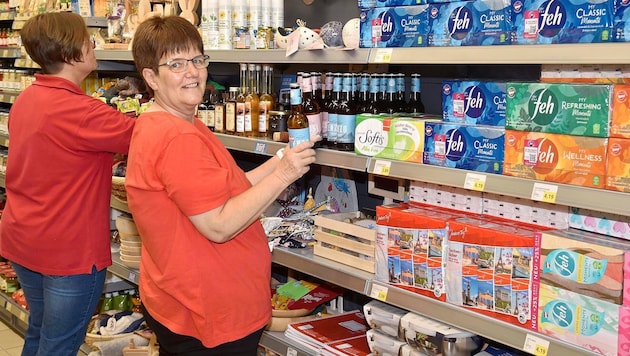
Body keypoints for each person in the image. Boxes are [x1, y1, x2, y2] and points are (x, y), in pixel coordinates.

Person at [127, 16, 317, 355]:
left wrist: (280, 161)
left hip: (184, 303)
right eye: (177, 64)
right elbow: (218, 224)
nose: (192, 72)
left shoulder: (174, 121)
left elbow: (227, 189)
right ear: (151, 77)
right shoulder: (176, 137)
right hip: (206, 316)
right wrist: (284, 175)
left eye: (198, 60)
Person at [0, 12, 136, 356]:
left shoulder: (27, 100)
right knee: (59, 346)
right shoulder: (83, 111)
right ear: (71, 51)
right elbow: (146, 137)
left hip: (23, 240)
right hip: (68, 252)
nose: (93, 45)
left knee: (40, 332)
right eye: (87, 40)